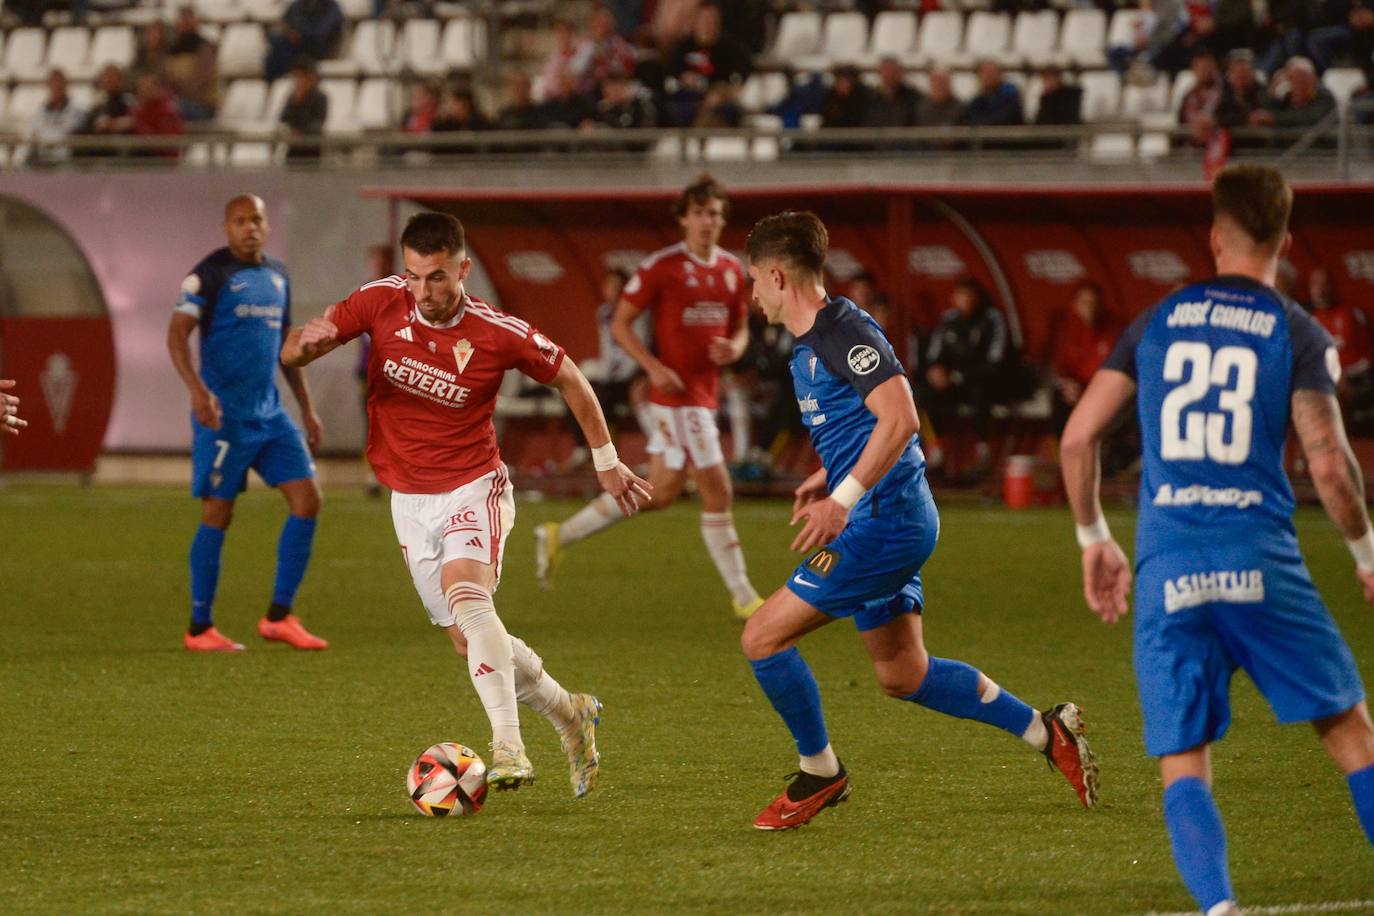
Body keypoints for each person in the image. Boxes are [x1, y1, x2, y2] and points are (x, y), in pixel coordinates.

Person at [1059, 164, 1374, 914]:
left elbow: (1077, 439)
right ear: (1285, 240)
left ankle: (1219, 907)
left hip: (1168, 566)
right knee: (1351, 734)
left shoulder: (1157, 320)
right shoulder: (1295, 329)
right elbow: (1328, 461)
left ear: (1214, 237)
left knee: (1185, 762)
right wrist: (1365, 553)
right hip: (1261, 560)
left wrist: (1091, 536)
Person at [739, 210, 1097, 831]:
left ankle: (821, 770)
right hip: (888, 513)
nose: (750, 295)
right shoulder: (818, 338)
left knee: (762, 638)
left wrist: (842, 499)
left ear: (775, 275)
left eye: (752, 280)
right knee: (903, 674)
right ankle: (1047, 732)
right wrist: (830, 475)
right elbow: (875, 419)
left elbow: (902, 415)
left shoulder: (837, 330)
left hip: (882, 523)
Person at [280, 211, 649, 795]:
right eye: (414, 277)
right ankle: (569, 712)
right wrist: (306, 346)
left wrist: (605, 461)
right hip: (408, 497)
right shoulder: (381, 300)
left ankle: (509, 748)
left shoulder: (498, 331)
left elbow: (572, 379)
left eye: (436, 278)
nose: (422, 292)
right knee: (468, 636)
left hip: (472, 485)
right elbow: (296, 348)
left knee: (470, 600)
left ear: (463, 270)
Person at [536, 175, 764, 620]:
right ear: (683, 218)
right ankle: (743, 595)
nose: (706, 221)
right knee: (718, 488)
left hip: (704, 393)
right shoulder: (663, 266)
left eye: (714, 214)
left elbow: (740, 327)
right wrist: (654, 367)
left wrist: (735, 348)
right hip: (677, 399)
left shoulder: (732, 270)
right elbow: (620, 323)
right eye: (698, 213)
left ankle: (559, 535)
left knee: (659, 493)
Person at [167, 194, 328, 653]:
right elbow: (176, 334)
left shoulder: (277, 275)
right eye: (239, 221)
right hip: (224, 417)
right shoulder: (209, 275)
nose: (249, 227)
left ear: (266, 225)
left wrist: (307, 406)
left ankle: (279, 616)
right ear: (226, 227)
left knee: (308, 499)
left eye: (256, 219)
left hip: (271, 414)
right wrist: (198, 391)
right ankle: (200, 627)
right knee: (219, 511)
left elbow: (286, 346)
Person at [280, 58, 327, 161]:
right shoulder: (292, 97)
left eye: (300, 77)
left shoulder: (320, 98)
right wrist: (295, 102)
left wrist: (301, 132)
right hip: (294, 144)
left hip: (311, 144)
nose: (297, 81)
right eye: (295, 77)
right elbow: (283, 118)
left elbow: (318, 123)